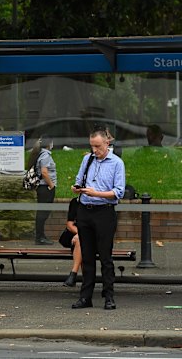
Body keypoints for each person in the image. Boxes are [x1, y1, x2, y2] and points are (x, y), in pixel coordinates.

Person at [71, 127, 125, 310]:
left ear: (107, 143)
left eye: (98, 146)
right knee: (87, 257)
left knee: (105, 257)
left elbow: (119, 192)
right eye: (92, 146)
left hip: (104, 212)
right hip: (85, 210)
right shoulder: (87, 159)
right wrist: (77, 188)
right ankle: (85, 297)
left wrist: (97, 193)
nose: (95, 150)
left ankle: (109, 296)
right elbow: (80, 179)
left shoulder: (117, 163)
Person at [26, 135, 56, 245]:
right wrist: (51, 185)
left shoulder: (41, 154)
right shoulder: (45, 156)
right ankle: (39, 238)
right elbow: (44, 172)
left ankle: (40, 236)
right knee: (43, 213)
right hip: (46, 187)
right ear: (49, 144)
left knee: (42, 213)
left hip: (43, 187)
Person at [62, 197, 82, 287]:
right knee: (81, 241)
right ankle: (86, 281)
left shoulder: (99, 203)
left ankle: (73, 273)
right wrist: (81, 234)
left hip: (95, 236)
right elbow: (70, 225)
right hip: (75, 235)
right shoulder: (75, 202)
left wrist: (83, 235)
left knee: (81, 241)